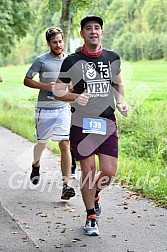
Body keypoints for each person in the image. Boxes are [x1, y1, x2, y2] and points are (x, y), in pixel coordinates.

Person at [53, 15, 128, 236]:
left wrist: (121, 102)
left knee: (109, 171)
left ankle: (94, 194)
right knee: (88, 170)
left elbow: (118, 83)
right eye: (88, 28)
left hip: (106, 122)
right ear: (82, 33)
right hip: (82, 123)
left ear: (101, 33)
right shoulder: (72, 61)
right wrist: (74, 97)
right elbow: (57, 91)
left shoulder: (112, 57)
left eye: (97, 28)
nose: (93, 31)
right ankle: (91, 217)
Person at [23, 27, 75, 200]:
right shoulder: (41, 61)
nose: (59, 44)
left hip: (62, 109)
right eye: (55, 42)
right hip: (44, 109)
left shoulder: (69, 60)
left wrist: (73, 93)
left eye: (60, 41)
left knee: (65, 144)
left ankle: (66, 186)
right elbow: (27, 80)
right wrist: (44, 86)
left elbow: (73, 83)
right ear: (49, 43)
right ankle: (36, 165)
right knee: (41, 143)